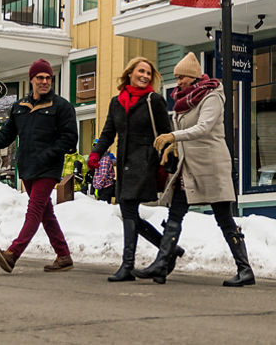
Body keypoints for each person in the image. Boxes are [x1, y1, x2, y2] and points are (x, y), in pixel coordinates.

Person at [135, 51, 255, 287]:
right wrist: (174, 146)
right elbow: (186, 131)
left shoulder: (212, 95)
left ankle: (245, 269)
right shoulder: (183, 100)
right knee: (175, 213)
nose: (178, 82)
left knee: (224, 218)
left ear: (194, 76)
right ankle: (162, 264)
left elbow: (204, 127)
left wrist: (173, 136)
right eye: (176, 77)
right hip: (188, 167)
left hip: (211, 166)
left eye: (182, 77)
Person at [0, 58, 78, 273]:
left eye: (48, 78)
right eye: (40, 77)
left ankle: (12, 254)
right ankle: (63, 255)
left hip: (48, 168)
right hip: (27, 167)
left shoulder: (61, 106)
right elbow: (7, 134)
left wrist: (48, 154)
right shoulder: (20, 107)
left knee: (34, 211)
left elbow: (69, 139)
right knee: (45, 213)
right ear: (31, 79)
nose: (44, 81)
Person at [88, 56, 184, 282]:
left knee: (129, 209)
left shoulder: (154, 100)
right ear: (130, 73)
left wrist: (166, 161)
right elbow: (108, 133)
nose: (145, 76)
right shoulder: (116, 102)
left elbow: (166, 133)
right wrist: (96, 153)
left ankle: (127, 265)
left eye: (148, 73)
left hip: (145, 162)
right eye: (141, 71)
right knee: (128, 212)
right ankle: (167, 248)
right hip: (124, 163)